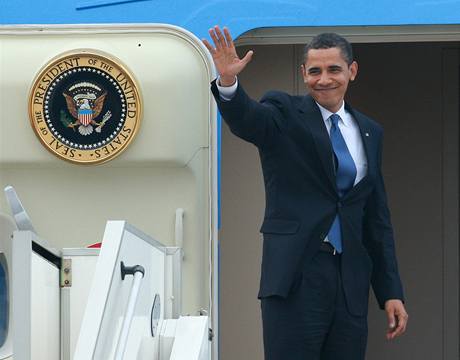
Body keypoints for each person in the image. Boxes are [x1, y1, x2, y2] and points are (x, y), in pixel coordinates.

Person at [203, 26, 408, 360]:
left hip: (349, 283)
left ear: (351, 71)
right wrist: (228, 83)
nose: (323, 79)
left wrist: (390, 293)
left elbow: (376, 219)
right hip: (297, 276)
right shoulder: (284, 112)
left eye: (333, 70)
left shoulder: (371, 131)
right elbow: (249, 121)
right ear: (303, 74)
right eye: (315, 71)